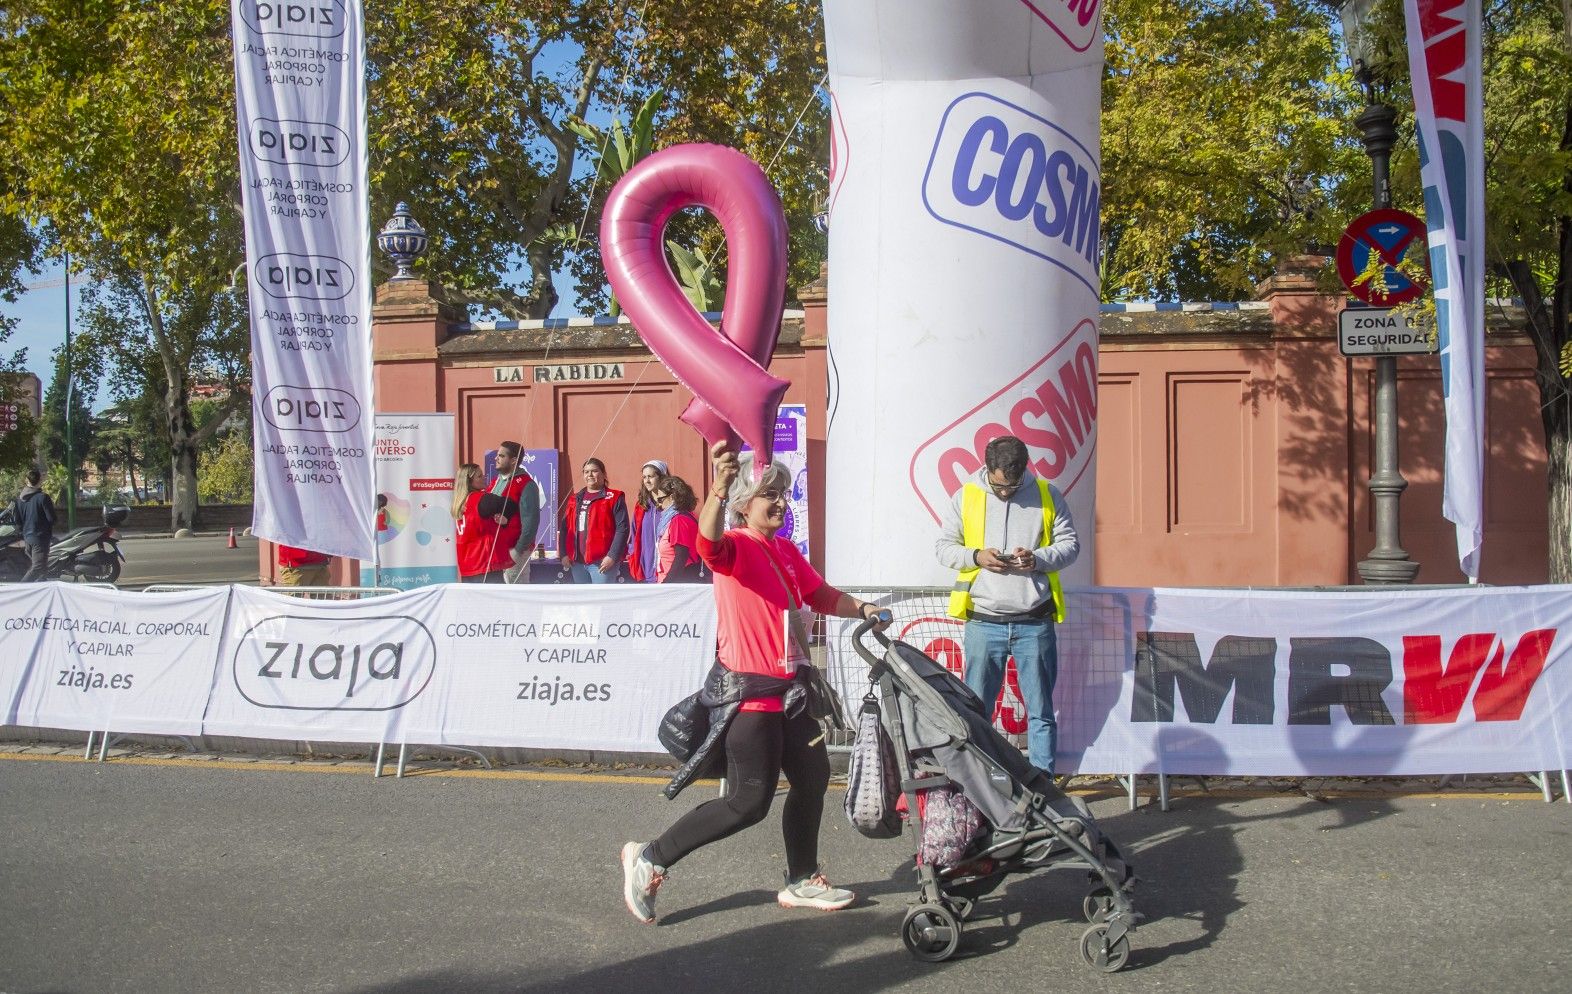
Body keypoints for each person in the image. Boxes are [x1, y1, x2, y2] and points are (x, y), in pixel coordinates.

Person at [621, 440, 889, 925]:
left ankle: (802, 879)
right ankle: (651, 858)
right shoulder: (736, 547)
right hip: (751, 700)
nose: (783, 503)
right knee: (748, 803)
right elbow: (705, 543)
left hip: (792, 694)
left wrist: (864, 609)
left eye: (785, 494)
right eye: (773, 495)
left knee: (812, 779)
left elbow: (821, 594)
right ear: (746, 502)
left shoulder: (785, 549)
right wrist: (717, 491)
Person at [934, 434, 1078, 774]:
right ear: (988, 469)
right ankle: (983, 782)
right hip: (983, 622)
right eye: (1000, 487)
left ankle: (1043, 782)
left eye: (1012, 488)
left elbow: (1070, 545)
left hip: (1034, 621)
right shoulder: (966, 496)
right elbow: (943, 547)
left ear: (1024, 470)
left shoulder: (1047, 494)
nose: (1005, 493)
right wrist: (976, 556)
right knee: (976, 713)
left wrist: (1039, 559)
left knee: (1041, 711)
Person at [561, 457, 628, 583]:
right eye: (586, 472)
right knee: (583, 601)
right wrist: (563, 554)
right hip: (577, 563)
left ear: (603, 474)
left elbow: (622, 529)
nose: (590, 475)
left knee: (602, 602)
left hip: (602, 563)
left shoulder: (614, 497)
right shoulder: (574, 499)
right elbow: (565, 528)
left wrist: (612, 556)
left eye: (594, 471)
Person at [489, 441, 540, 583]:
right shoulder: (494, 482)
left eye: (501, 456)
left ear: (513, 460)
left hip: (514, 550)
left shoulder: (526, 484)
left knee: (516, 595)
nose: (496, 458)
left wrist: (517, 551)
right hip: (495, 551)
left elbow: (531, 522)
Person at [452, 462, 504, 583]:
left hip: (467, 567)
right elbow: (509, 504)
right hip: (484, 564)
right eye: (479, 476)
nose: (484, 477)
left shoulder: (460, 502)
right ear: (469, 481)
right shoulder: (482, 499)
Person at [653, 475, 704, 583]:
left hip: (677, 585)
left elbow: (681, 556)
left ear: (672, 497)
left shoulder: (679, 520)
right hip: (677, 582)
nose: (658, 504)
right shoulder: (685, 516)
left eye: (661, 499)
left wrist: (668, 584)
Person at [626, 458, 669, 582]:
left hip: (667, 568)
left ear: (661, 477)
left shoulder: (672, 504)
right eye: (644, 477)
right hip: (646, 568)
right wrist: (632, 554)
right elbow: (634, 534)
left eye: (650, 476)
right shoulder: (642, 506)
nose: (647, 481)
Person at [10, 468, 55, 582]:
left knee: (42, 571)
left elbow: (18, 522)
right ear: (40, 481)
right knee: (38, 567)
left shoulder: (19, 500)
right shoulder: (43, 497)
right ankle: (19, 591)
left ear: (27, 480)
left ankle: (42, 595)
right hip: (40, 539)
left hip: (28, 539)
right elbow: (51, 519)